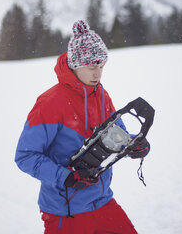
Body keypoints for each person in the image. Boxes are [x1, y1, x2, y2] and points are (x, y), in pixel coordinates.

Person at [15, 20, 150, 234]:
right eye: (91, 67)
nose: (98, 74)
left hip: (102, 201)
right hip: (65, 211)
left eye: (101, 67)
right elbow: (25, 156)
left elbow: (118, 135)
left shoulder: (101, 95)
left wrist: (132, 145)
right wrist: (66, 177)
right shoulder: (50, 103)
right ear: (75, 64)